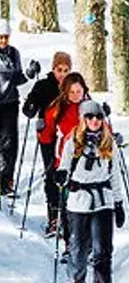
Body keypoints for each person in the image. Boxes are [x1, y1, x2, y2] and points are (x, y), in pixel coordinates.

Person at [54, 100, 125, 283]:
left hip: (103, 201)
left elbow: (115, 174)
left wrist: (119, 203)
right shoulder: (72, 142)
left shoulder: (108, 142)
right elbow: (64, 166)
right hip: (78, 202)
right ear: (83, 119)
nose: (95, 121)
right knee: (78, 248)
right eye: (90, 117)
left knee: (103, 251)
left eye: (99, 117)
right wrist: (61, 175)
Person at [22, 52, 72, 233]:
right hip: (48, 136)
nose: (63, 74)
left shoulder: (73, 86)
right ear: (53, 68)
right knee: (51, 173)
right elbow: (29, 105)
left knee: (68, 174)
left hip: (69, 138)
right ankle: (54, 216)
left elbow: (85, 103)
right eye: (60, 70)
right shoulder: (43, 85)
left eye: (66, 70)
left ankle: (69, 215)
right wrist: (32, 109)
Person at [38, 72, 90, 241]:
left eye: (78, 91)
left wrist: (113, 136)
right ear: (66, 92)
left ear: (84, 90)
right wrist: (42, 130)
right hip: (66, 159)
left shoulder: (90, 107)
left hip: (89, 160)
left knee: (88, 202)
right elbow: (47, 134)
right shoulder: (57, 107)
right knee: (68, 203)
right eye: (72, 92)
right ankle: (70, 244)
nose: (76, 95)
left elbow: (103, 128)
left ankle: (87, 245)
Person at [0, 18, 28, 194]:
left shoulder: (14, 53)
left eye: (6, 37)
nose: (3, 41)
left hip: (10, 104)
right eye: (0, 37)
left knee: (10, 143)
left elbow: (18, 78)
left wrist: (30, 74)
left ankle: (6, 181)